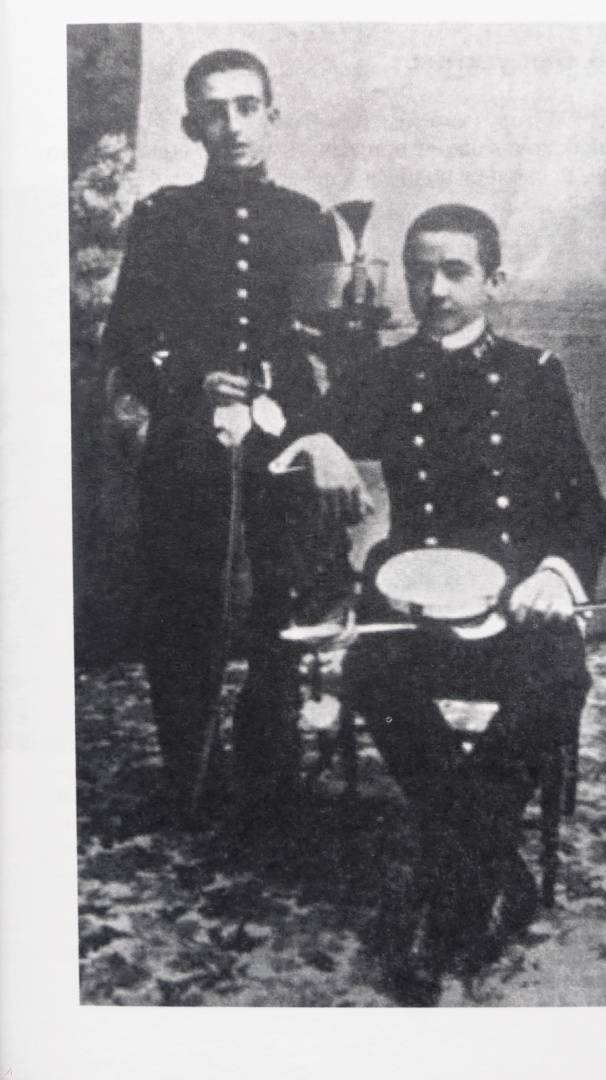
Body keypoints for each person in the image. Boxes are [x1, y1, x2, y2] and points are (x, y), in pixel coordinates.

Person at [276, 203, 606, 1001]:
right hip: (413, 594)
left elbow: (585, 512)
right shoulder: (385, 373)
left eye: (455, 271)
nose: (434, 290)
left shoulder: (533, 374)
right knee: (375, 674)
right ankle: (488, 865)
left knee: (556, 682)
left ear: (494, 280)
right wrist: (319, 442)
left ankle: (453, 868)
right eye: (420, 272)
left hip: (514, 595)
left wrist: (554, 575)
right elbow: (297, 431)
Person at [103, 48, 368, 831]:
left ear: (271, 115)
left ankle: (268, 773)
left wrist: (318, 429)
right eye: (214, 111)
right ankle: (189, 776)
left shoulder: (306, 219)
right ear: (192, 126)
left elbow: (330, 347)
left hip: (284, 436)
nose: (233, 125)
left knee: (282, 602)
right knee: (183, 607)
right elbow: (127, 339)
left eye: (248, 107)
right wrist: (190, 379)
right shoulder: (163, 218)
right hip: (188, 439)